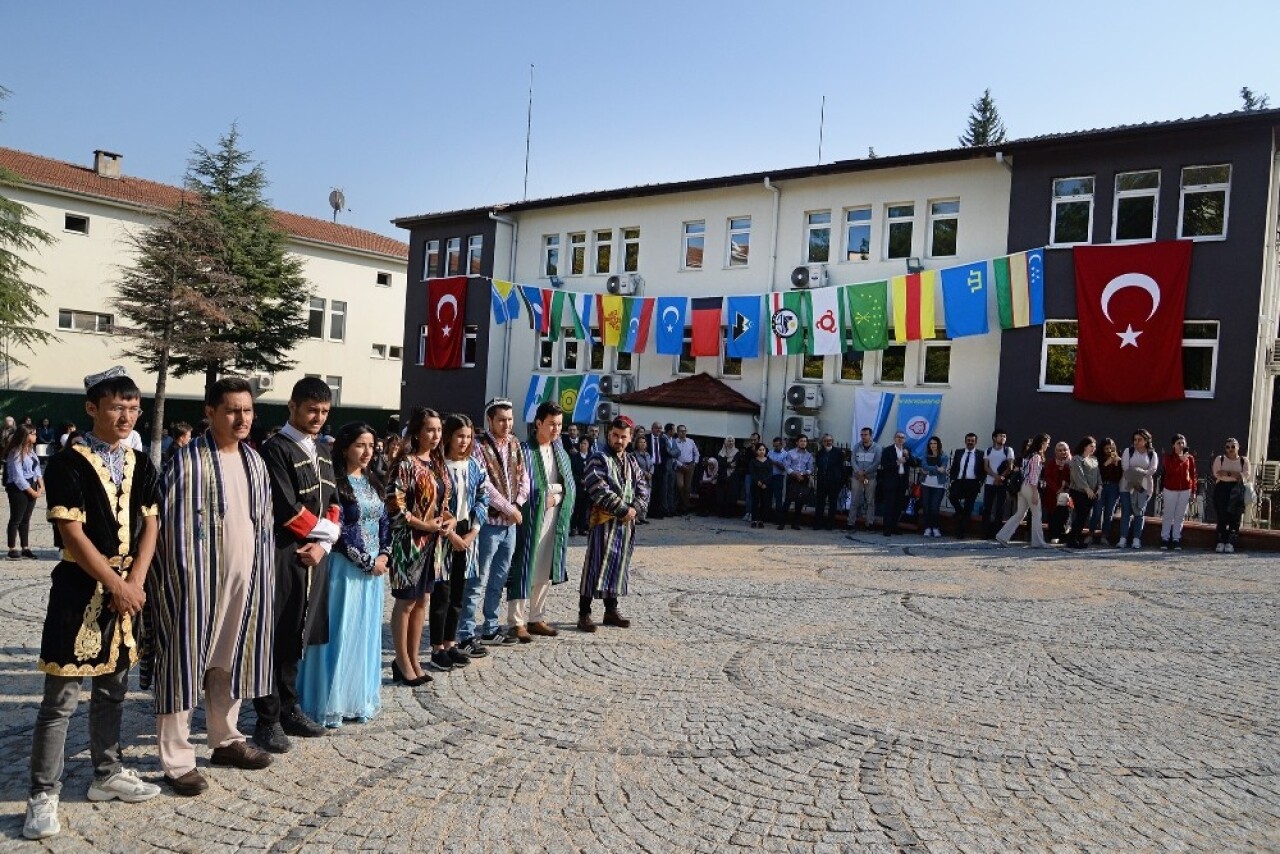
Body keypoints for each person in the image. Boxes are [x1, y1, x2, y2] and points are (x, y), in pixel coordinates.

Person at [24, 368, 161, 840]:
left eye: (133, 407)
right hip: (80, 590)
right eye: (116, 406)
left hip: (128, 589)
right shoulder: (66, 463)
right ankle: (43, 793)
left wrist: (136, 579)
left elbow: (151, 524)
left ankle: (107, 773)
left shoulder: (141, 462)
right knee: (60, 699)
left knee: (113, 689)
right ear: (92, 409)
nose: (126, 416)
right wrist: (116, 583)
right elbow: (72, 533)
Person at [144, 377, 275, 797]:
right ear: (211, 413)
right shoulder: (186, 461)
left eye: (248, 410)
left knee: (231, 660)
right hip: (195, 585)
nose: (242, 419)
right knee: (183, 664)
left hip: (245, 581)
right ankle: (177, 759)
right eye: (233, 410)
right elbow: (165, 527)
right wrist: (177, 583)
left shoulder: (255, 461)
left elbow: (265, 525)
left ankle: (225, 737)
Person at [253, 377, 341, 753]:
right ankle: (266, 718)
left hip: (313, 557)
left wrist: (324, 543)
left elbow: (334, 498)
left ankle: (289, 707)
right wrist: (328, 535)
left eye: (323, 411)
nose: (318, 417)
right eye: (311, 410)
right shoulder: (276, 448)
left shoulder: (322, 450)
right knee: (275, 634)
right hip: (283, 554)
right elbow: (286, 510)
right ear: (292, 407)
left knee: (298, 633)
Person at [297, 422, 390, 728]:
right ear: (346, 447)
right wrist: (365, 561)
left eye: (371, 445)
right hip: (343, 570)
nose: (367, 452)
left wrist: (384, 555)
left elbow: (386, 522)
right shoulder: (335, 483)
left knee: (362, 635)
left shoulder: (375, 481)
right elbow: (339, 531)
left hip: (372, 574)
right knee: (339, 633)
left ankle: (357, 698)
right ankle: (329, 699)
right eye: (360, 445)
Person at [386, 407, 451, 687]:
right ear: (416, 432)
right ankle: (401, 661)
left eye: (438, 430)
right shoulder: (405, 464)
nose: (435, 436)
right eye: (429, 430)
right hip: (409, 543)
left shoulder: (437, 463)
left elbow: (442, 504)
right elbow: (394, 507)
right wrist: (424, 526)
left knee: (423, 600)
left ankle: (413, 659)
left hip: (433, 543)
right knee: (406, 601)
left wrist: (450, 519)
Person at [462, 398, 529, 649]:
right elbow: (484, 484)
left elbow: (524, 477)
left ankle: (490, 627)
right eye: (502, 419)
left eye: (510, 419)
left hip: (510, 524)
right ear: (490, 420)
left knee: (499, 578)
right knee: (478, 578)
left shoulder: (514, 444)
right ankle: (466, 630)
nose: (507, 424)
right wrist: (508, 508)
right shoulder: (479, 446)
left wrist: (518, 505)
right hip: (488, 523)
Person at [508, 401, 576, 638]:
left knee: (545, 566)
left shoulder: (561, 453)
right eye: (552, 424)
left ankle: (536, 617)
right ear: (538, 423)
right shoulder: (524, 451)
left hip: (553, 519)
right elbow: (519, 487)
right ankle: (516, 621)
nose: (556, 429)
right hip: (530, 518)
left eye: (559, 424)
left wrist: (553, 497)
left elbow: (569, 487)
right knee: (524, 565)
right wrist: (546, 494)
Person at [578, 416, 648, 632]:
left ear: (631, 438)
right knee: (594, 566)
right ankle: (584, 613)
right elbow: (597, 487)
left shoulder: (632, 461)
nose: (619, 440)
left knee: (618, 566)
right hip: (603, 521)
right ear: (608, 434)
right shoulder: (598, 458)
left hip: (625, 525)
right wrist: (623, 509)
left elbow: (643, 487)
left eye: (623, 437)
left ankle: (611, 610)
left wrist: (635, 507)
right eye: (615, 436)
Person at [434, 413, 489, 670]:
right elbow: (433, 505)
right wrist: (452, 535)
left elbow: (483, 497)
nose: (464, 441)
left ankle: (450, 643)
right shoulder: (438, 466)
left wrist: (473, 532)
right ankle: (436, 648)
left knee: (459, 593)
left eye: (468, 437)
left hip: (468, 532)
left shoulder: (475, 466)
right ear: (448, 436)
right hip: (444, 534)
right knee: (441, 594)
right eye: (460, 436)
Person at [997, 434, 1049, 548]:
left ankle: (1002, 535)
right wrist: (1035, 493)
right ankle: (1038, 541)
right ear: (1042, 443)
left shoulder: (1028, 455)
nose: (1047, 445)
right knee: (1037, 514)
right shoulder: (1037, 457)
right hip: (1030, 487)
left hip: (1021, 487)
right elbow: (1033, 476)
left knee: (1020, 513)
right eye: (1047, 443)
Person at [5, 424, 43, 558]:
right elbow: (17, 476)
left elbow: (36, 469)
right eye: (33, 433)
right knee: (16, 518)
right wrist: (32, 492)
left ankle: (25, 547)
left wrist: (40, 484)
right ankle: (12, 548)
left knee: (26, 519)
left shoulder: (31, 451)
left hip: (31, 485)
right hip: (18, 489)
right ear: (26, 435)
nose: (35, 436)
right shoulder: (15, 452)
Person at [1118, 429, 1157, 549]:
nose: (1136, 442)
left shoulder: (1151, 454)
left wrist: (1139, 472)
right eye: (1135, 439)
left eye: (1139, 439)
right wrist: (1136, 475)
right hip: (1126, 486)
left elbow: (1152, 469)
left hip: (1143, 487)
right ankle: (1123, 539)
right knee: (1126, 513)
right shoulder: (1128, 451)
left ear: (1146, 440)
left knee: (1139, 513)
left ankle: (1136, 539)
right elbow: (1125, 467)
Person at [1211, 438, 1250, 553]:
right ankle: (1220, 541)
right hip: (1222, 488)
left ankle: (1231, 542)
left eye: (1233, 446)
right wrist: (1235, 475)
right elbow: (1217, 474)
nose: (1230, 449)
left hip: (1237, 489)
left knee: (1235, 516)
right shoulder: (1220, 459)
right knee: (1221, 515)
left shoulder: (1244, 461)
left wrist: (1228, 473)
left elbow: (1245, 475)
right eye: (1228, 447)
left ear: (1238, 447)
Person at [878, 432, 916, 536]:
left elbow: (914, 464)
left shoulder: (906, 450)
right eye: (898, 437)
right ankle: (887, 529)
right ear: (894, 438)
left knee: (898, 506)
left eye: (902, 437)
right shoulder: (888, 450)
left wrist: (907, 456)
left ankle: (895, 527)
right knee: (889, 506)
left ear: (905, 439)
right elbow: (884, 465)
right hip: (891, 482)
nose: (900, 439)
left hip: (902, 482)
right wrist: (897, 462)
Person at [1066, 437, 1100, 549]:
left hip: (1092, 492)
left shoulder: (1094, 459)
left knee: (1084, 516)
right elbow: (1078, 476)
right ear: (1085, 446)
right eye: (1091, 446)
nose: (1093, 449)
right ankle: (1072, 539)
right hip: (1079, 491)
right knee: (1080, 515)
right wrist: (1087, 489)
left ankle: (1076, 538)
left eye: (1094, 447)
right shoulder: (1077, 459)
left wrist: (1099, 487)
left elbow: (1098, 475)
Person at [947, 433, 982, 538]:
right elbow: (954, 466)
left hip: (973, 483)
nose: (970, 442)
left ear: (975, 442)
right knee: (952, 496)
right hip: (959, 481)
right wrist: (952, 478)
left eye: (972, 440)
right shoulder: (959, 452)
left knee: (968, 508)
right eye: (968, 440)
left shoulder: (980, 454)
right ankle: (959, 512)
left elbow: (983, 469)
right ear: (965, 441)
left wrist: (981, 481)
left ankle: (961, 532)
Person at [981, 429, 1015, 538]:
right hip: (989, 483)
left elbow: (1010, 467)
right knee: (987, 507)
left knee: (999, 508)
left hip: (1002, 483)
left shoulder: (1008, 450)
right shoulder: (988, 450)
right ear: (994, 438)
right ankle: (985, 532)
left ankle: (997, 533)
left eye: (1004, 436)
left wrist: (1001, 477)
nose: (1003, 438)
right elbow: (986, 467)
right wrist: (995, 476)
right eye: (1001, 436)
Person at [1090, 437, 1123, 546]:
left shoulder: (1118, 456)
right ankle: (1091, 534)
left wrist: (1118, 464)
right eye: (1107, 448)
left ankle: (1104, 536)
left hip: (1113, 487)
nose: (1109, 451)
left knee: (1109, 513)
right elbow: (1097, 474)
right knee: (1097, 511)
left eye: (1111, 448)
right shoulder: (1097, 458)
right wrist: (1106, 464)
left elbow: (1119, 476)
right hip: (1101, 486)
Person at [847, 428, 879, 530]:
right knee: (855, 500)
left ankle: (869, 523)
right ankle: (851, 523)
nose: (863, 436)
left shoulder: (877, 448)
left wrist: (865, 472)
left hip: (869, 478)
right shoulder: (856, 447)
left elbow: (877, 462)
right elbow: (853, 461)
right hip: (857, 478)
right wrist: (858, 472)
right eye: (862, 435)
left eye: (865, 435)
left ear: (870, 435)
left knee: (870, 501)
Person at [780, 435, 815, 530]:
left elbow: (810, 468)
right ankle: (782, 523)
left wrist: (802, 474)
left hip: (803, 479)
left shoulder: (809, 455)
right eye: (801, 441)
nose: (803, 443)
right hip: (792, 478)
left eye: (805, 441)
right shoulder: (790, 453)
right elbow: (787, 466)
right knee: (787, 501)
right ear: (797, 442)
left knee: (799, 502)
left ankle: (795, 523)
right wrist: (795, 474)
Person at [813, 434, 846, 530]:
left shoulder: (838, 452)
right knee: (820, 504)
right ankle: (818, 524)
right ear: (823, 442)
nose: (828, 442)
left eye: (830, 440)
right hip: (822, 481)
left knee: (832, 504)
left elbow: (842, 468)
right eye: (826, 440)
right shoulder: (819, 453)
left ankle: (830, 524)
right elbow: (818, 467)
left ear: (833, 441)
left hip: (834, 482)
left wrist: (841, 482)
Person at [1043, 442, 1073, 544]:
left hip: (1067, 493)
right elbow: (1047, 477)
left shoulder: (1072, 462)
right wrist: (1057, 490)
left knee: (1066, 515)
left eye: (1065, 450)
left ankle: (1064, 537)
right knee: (1053, 515)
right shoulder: (1051, 462)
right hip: (1053, 494)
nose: (1063, 452)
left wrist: (1067, 465)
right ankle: (1053, 536)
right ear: (1055, 452)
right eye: (1059, 450)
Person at [919, 436, 949, 538]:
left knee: (934, 507)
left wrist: (928, 471)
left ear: (938, 444)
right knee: (926, 507)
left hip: (938, 486)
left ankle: (935, 528)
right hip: (926, 484)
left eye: (935, 443)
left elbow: (943, 469)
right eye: (931, 443)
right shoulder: (925, 456)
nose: (933, 445)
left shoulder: (944, 456)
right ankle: (927, 528)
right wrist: (936, 468)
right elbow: (924, 467)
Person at [672, 424, 699, 514]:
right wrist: (680, 465)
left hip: (690, 466)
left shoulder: (690, 441)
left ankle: (685, 507)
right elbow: (673, 457)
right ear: (678, 432)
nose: (683, 432)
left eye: (684, 431)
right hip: (679, 467)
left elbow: (696, 453)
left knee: (687, 487)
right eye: (681, 431)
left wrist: (694, 463)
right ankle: (680, 504)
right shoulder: (674, 442)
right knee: (680, 486)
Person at [715, 436, 742, 518]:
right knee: (721, 494)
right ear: (725, 442)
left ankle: (729, 513)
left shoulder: (737, 452)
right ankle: (721, 512)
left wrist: (727, 464)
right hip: (722, 475)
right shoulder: (721, 452)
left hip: (733, 476)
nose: (730, 443)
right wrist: (728, 464)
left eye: (732, 441)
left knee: (731, 494)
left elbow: (735, 464)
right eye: (729, 441)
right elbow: (721, 463)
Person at [646, 421, 668, 519]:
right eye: (656, 428)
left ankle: (657, 512)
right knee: (650, 490)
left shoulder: (663, 440)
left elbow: (665, 453)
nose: (658, 430)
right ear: (652, 429)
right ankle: (649, 511)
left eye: (660, 428)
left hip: (659, 467)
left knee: (659, 490)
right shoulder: (646, 438)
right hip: (649, 467)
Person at [747, 443, 773, 528]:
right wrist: (758, 482)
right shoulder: (753, 461)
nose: (762, 451)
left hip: (765, 485)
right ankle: (754, 520)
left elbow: (770, 473)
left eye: (763, 450)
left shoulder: (769, 461)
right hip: (755, 484)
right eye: (760, 450)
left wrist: (764, 483)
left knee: (764, 503)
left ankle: (761, 521)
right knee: (755, 502)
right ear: (756, 451)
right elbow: (752, 473)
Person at [570, 436, 592, 535]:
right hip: (578, 487)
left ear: (588, 446)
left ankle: (582, 528)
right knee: (576, 508)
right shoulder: (575, 458)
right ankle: (573, 528)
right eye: (581, 443)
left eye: (585, 444)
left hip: (588, 487)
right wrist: (580, 480)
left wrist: (588, 480)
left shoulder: (592, 457)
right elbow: (572, 473)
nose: (582, 445)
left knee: (584, 508)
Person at [632, 433, 653, 524]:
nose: (642, 444)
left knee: (646, 498)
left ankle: (643, 516)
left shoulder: (648, 454)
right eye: (640, 442)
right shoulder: (633, 454)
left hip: (648, 479)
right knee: (637, 498)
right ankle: (635, 517)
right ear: (636, 443)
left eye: (644, 442)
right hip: (639, 479)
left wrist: (651, 473)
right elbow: (635, 466)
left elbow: (652, 465)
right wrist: (644, 473)